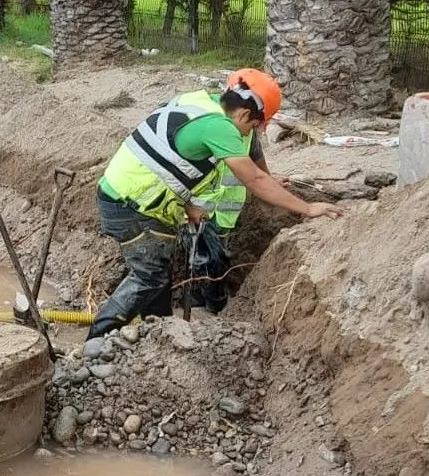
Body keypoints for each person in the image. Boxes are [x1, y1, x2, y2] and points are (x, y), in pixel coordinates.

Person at [88, 69, 342, 339]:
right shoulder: (220, 127)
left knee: (158, 276)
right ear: (244, 114)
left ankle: (158, 334)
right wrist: (309, 208)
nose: (251, 134)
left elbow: (172, 159)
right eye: (254, 126)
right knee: (149, 277)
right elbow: (254, 179)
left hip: (128, 195)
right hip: (133, 204)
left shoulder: (200, 103)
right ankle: (96, 340)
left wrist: (191, 206)